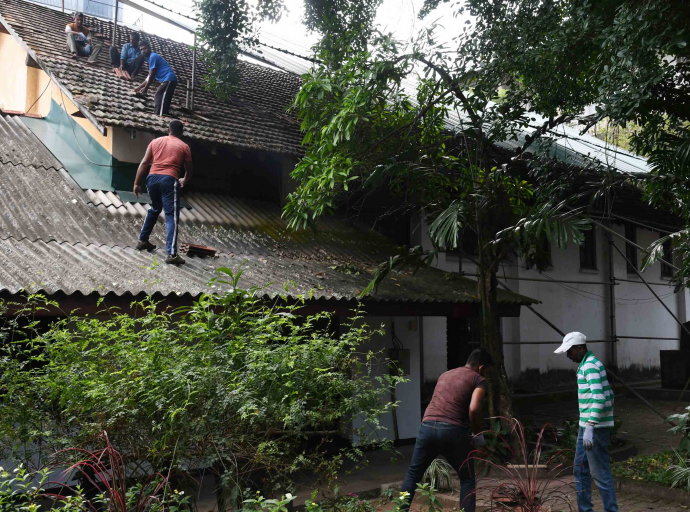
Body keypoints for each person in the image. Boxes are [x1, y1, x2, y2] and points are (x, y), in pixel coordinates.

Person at [400, 349, 492, 512]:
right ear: (481, 367)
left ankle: (400, 509)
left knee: (413, 474)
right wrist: (479, 439)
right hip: (452, 430)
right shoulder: (478, 379)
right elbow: (474, 408)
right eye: (486, 371)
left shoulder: (445, 374)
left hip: (427, 426)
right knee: (467, 477)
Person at [554, 332, 618, 512]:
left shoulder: (590, 365)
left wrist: (591, 425)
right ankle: (584, 509)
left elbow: (600, 398)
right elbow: (610, 395)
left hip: (593, 429)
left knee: (600, 474)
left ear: (580, 348)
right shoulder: (588, 364)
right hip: (587, 428)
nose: (568, 355)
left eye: (570, 351)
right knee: (580, 470)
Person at [134, 119, 193, 265]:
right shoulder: (184, 146)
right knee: (171, 216)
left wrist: (136, 183)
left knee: (155, 208)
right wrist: (184, 181)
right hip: (169, 180)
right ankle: (172, 254)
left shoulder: (155, 142)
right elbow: (189, 170)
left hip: (152, 179)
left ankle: (143, 240)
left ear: (168, 130)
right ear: (181, 133)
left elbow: (144, 163)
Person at [134, 40, 178, 116]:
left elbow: (152, 75)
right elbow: (148, 77)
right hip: (169, 80)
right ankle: (163, 113)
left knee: (159, 95)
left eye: (144, 48)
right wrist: (139, 87)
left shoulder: (153, 57)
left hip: (168, 79)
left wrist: (146, 89)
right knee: (164, 97)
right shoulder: (151, 59)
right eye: (141, 50)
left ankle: (157, 115)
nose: (143, 51)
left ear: (149, 48)